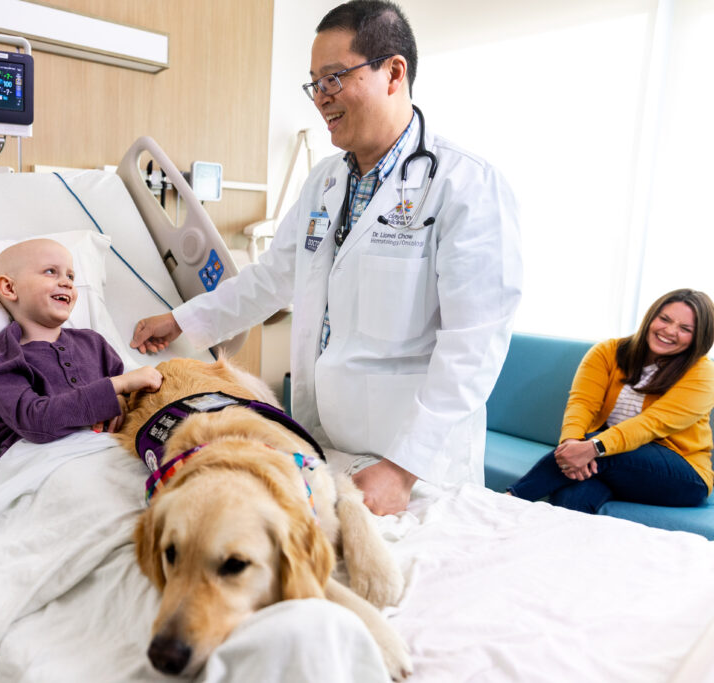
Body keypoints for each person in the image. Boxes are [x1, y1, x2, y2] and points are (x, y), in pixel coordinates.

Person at [130, 1, 522, 515]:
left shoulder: (465, 184)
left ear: (393, 72)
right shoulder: (325, 183)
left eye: (334, 78)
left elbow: (473, 346)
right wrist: (182, 320)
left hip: (413, 467)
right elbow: (271, 279)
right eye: (313, 83)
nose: (320, 98)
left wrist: (404, 468)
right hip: (324, 446)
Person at [508, 289, 714, 512]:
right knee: (571, 496)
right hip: (616, 467)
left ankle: (507, 501)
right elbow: (582, 403)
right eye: (664, 319)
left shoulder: (702, 373)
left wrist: (593, 447)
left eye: (685, 329)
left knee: (604, 450)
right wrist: (571, 442)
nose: (670, 331)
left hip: (682, 476)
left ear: (698, 337)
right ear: (651, 317)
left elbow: (652, 423)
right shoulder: (607, 351)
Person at [0, 238, 162, 455]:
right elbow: (34, 422)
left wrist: (121, 399)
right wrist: (116, 387)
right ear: (9, 287)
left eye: (71, 276)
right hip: (40, 459)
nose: (66, 282)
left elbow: (125, 393)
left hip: (107, 449)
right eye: (50, 271)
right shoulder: (0, 359)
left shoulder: (94, 344)